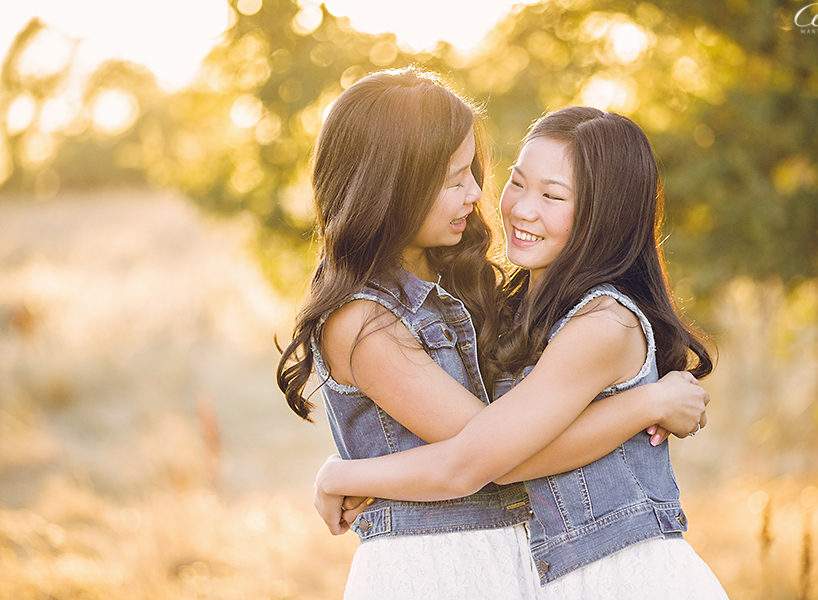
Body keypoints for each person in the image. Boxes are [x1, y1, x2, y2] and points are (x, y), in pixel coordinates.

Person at [277, 67, 708, 599]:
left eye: (475, 173)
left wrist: (350, 475)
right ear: (393, 186)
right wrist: (647, 403)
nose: (479, 193)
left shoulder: (518, 303)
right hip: (433, 571)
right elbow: (490, 456)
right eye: (456, 178)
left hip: (535, 569)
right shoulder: (368, 322)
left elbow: (496, 451)